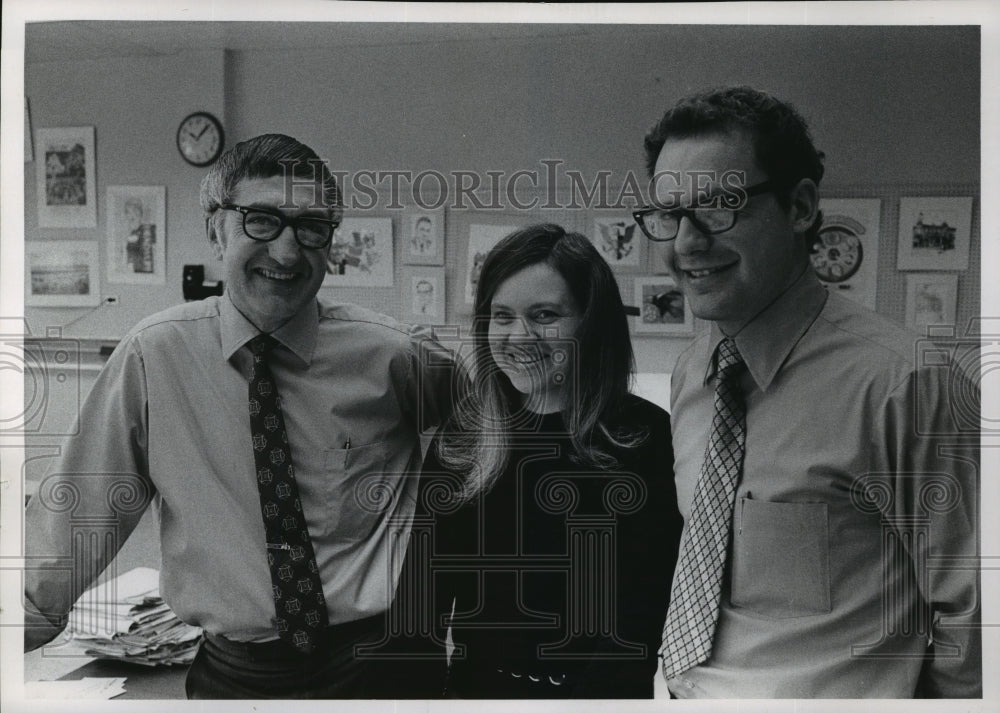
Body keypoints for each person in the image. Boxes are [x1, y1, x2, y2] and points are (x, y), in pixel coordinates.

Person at [23, 133, 463, 699]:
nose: (286, 251)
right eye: (261, 220)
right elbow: (74, 522)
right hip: (234, 675)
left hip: (383, 667)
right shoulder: (153, 358)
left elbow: (503, 440)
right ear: (215, 229)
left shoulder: (393, 355)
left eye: (311, 227)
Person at [634, 86, 980, 698]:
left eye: (719, 205)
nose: (686, 242)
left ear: (799, 206)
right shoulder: (694, 372)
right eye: (668, 215)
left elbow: (976, 617)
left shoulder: (906, 386)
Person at [402, 224, 682, 698]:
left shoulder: (645, 437)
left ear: (592, 323)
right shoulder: (463, 437)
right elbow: (423, 605)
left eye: (545, 314)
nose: (518, 337)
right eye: (502, 316)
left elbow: (641, 616)